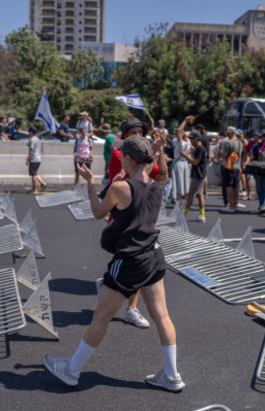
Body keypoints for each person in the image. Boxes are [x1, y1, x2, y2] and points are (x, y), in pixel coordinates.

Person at [44, 136, 184, 392]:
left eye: (122, 156)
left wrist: (90, 184)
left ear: (128, 159)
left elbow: (98, 212)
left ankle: (72, 370)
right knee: (161, 315)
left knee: (102, 316)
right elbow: (151, 185)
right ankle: (172, 375)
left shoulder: (120, 188)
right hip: (153, 255)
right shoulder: (155, 185)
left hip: (130, 260)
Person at [106, 117, 168, 329]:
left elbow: (162, 177)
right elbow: (145, 178)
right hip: (125, 218)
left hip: (139, 218)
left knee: (135, 266)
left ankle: (130, 307)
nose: (138, 136)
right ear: (123, 136)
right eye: (133, 132)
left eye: (141, 132)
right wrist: (155, 154)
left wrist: (159, 154)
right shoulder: (118, 155)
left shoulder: (142, 158)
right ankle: (126, 307)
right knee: (132, 266)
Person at [182, 131, 208, 222]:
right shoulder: (201, 148)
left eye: (192, 139)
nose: (191, 140)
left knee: (190, 194)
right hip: (200, 174)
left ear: (197, 138)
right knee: (199, 195)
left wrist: (185, 156)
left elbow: (195, 162)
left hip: (197, 174)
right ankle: (202, 215)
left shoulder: (200, 149)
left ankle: (184, 215)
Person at [219, 126, 245, 212]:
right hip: (237, 167)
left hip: (229, 167)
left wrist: (221, 154)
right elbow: (241, 155)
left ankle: (230, 205)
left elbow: (225, 155)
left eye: (227, 133)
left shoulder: (228, 143)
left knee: (228, 186)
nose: (227, 134)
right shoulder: (240, 143)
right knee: (236, 186)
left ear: (231, 133)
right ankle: (235, 203)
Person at [172, 118, 191, 206]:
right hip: (186, 163)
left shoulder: (181, 143)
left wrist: (185, 121)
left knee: (178, 182)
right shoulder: (189, 142)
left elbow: (180, 130)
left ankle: (179, 203)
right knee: (186, 182)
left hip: (179, 162)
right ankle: (186, 203)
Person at [26, 126, 47, 193]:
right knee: (34, 173)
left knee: (33, 174)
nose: (28, 133)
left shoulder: (32, 140)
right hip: (38, 158)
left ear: (31, 132)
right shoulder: (37, 139)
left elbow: (31, 150)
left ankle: (38, 185)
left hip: (34, 159)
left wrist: (28, 159)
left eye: (29, 131)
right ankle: (35, 187)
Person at [194, 124, 210, 198]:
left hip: (201, 158)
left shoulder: (201, 138)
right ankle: (204, 192)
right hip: (206, 158)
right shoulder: (206, 137)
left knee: (202, 176)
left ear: (199, 129)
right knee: (204, 175)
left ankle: (201, 192)